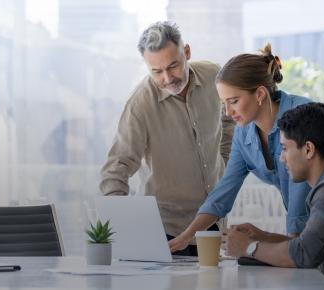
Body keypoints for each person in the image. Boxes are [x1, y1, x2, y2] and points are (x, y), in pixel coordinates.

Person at [100, 21, 235, 256]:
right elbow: (116, 168)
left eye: (173, 66)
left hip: (213, 221)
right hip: (165, 230)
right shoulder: (140, 104)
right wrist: (122, 228)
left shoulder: (214, 75)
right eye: (156, 71)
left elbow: (229, 120)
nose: (167, 78)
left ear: (187, 52)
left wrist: (223, 162)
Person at [169, 44, 313, 253]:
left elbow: (300, 204)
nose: (228, 113)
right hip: (306, 237)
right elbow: (223, 192)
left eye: (234, 101)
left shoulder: (301, 116)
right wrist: (186, 236)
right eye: (224, 104)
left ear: (260, 94)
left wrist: (283, 246)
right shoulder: (244, 133)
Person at [222, 102, 324, 283]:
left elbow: (305, 254)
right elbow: (312, 245)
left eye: (284, 148)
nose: (281, 158)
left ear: (308, 149)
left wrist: (249, 247)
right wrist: (263, 237)